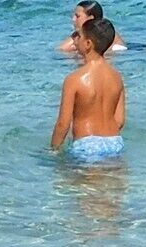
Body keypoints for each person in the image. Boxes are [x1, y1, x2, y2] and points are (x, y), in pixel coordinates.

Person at [51, 17, 127, 160]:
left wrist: (54, 149)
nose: (75, 39)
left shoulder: (74, 79)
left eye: (78, 36)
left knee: (80, 182)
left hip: (87, 145)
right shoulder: (116, 77)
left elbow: (63, 123)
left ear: (88, 44)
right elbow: (120, 120)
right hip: (115, 143)